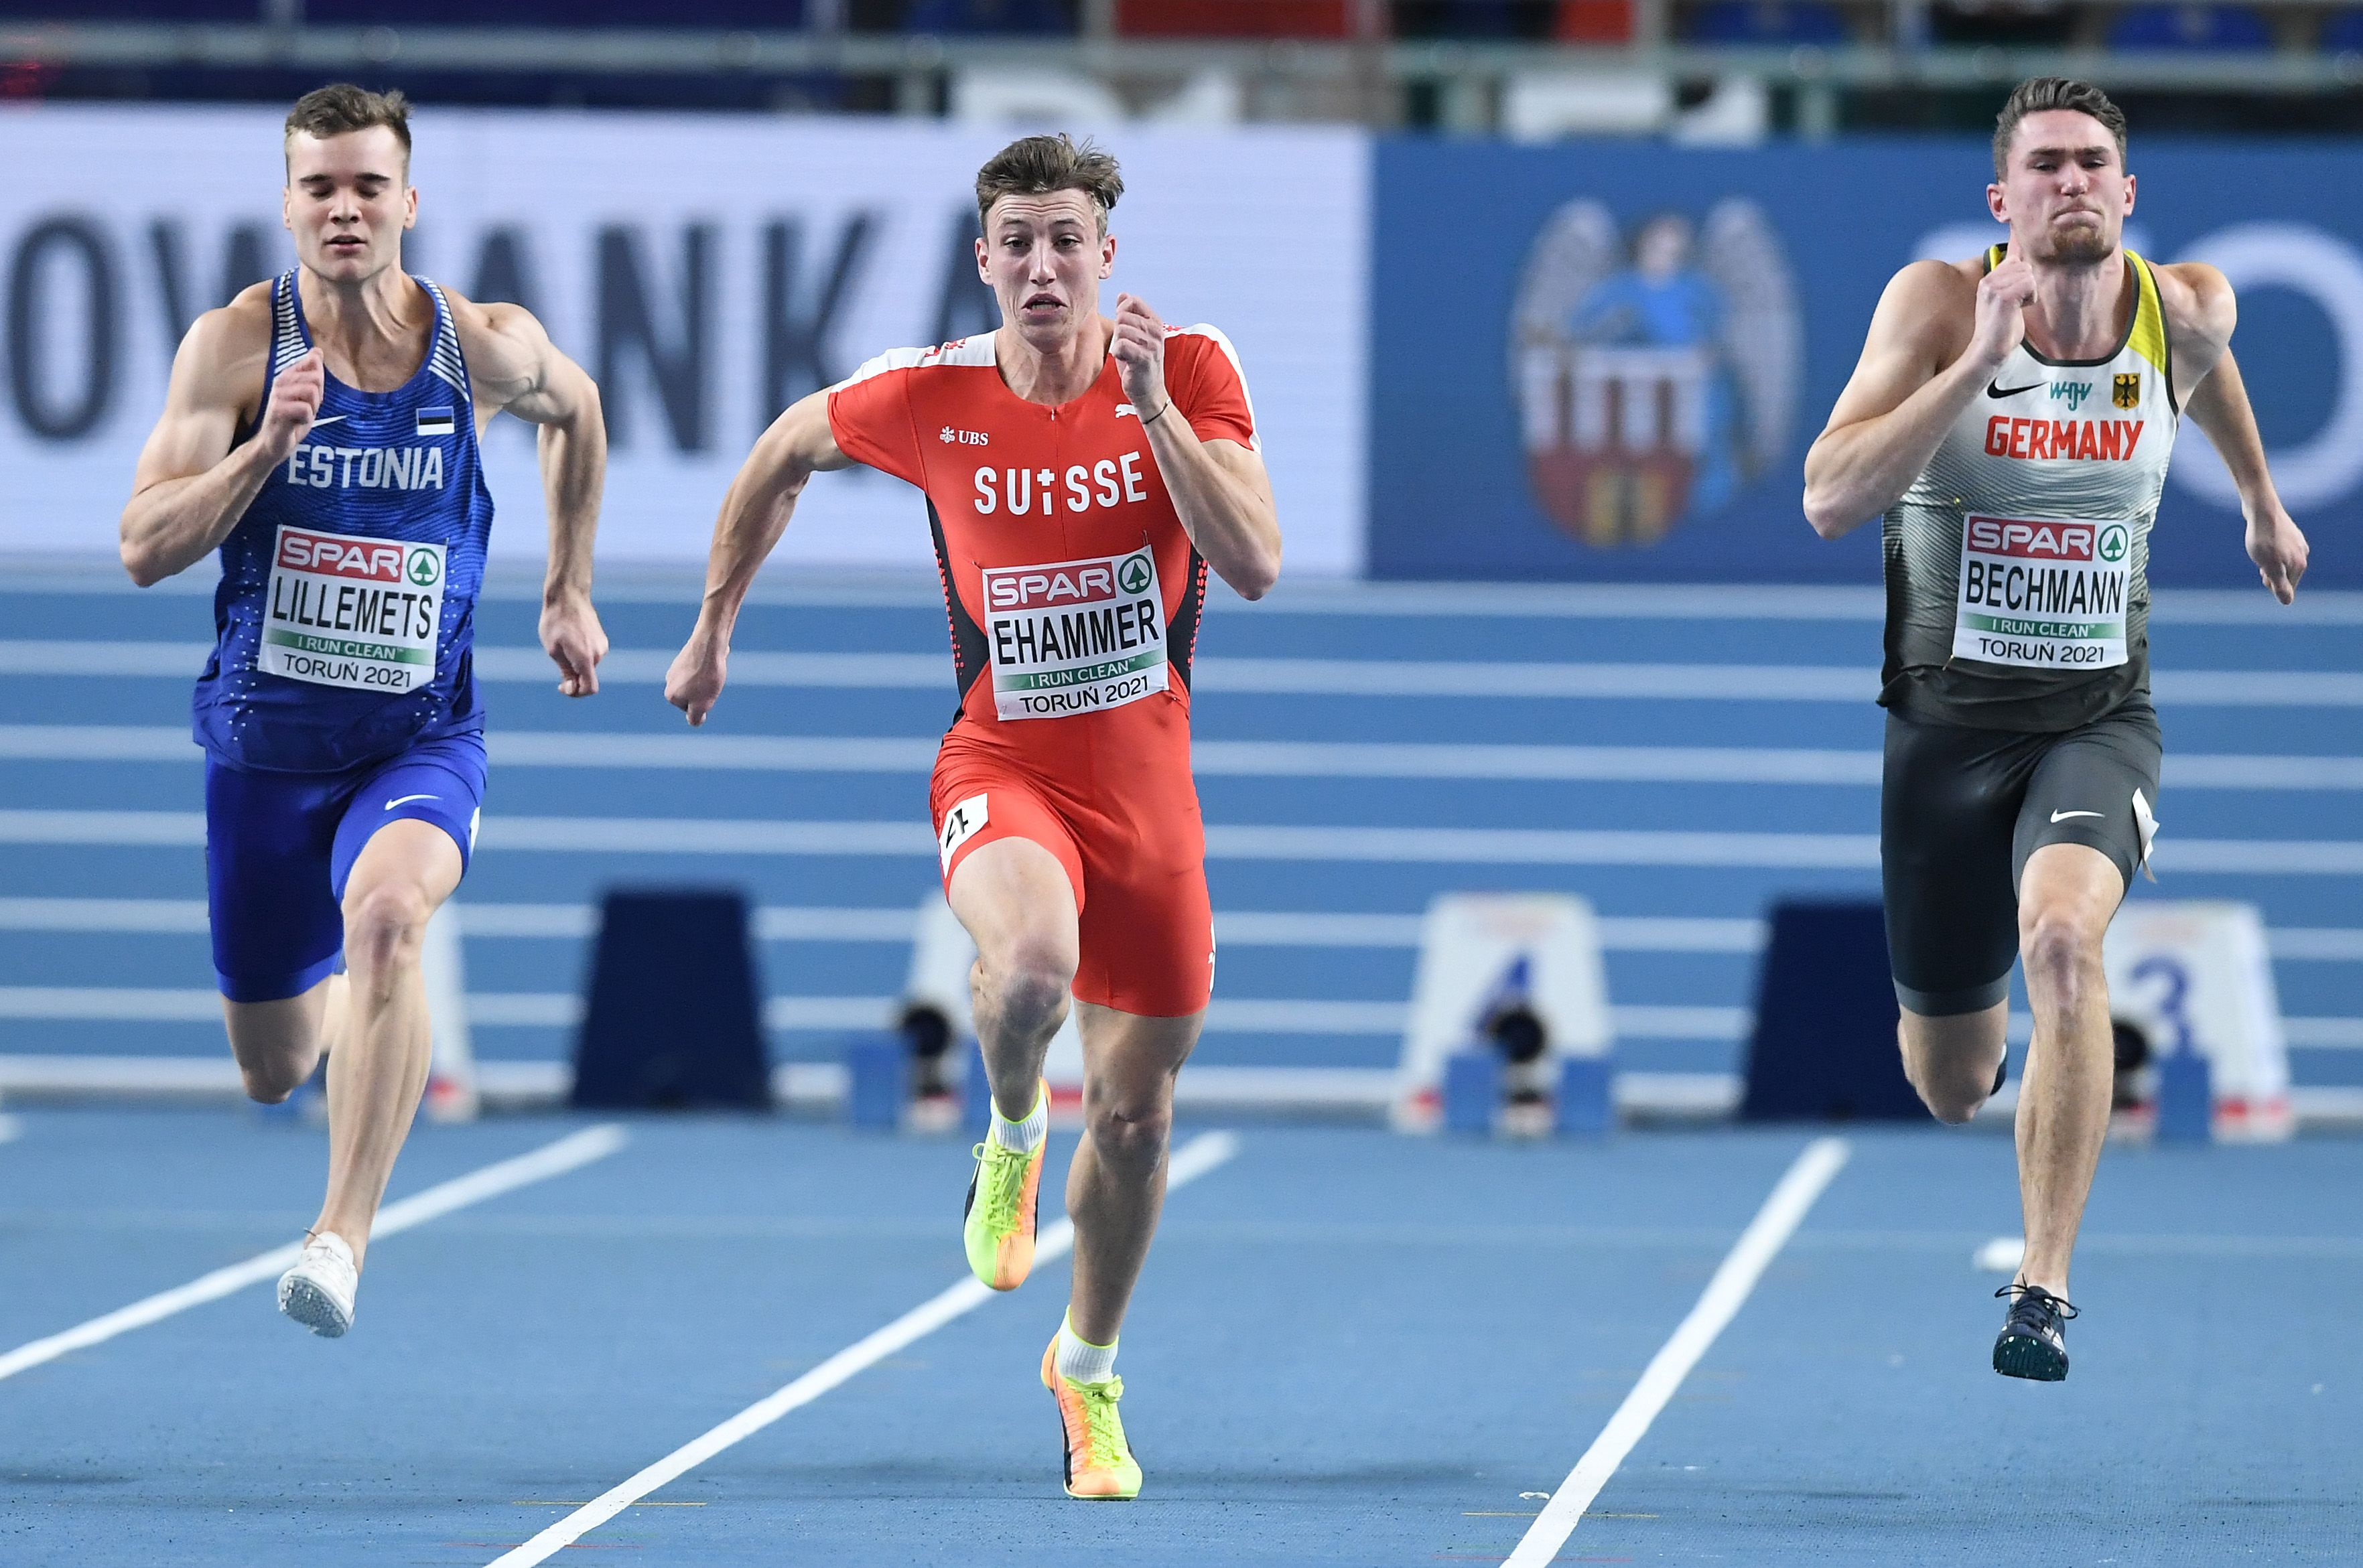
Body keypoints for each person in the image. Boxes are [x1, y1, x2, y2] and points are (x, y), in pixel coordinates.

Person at [666, 132, 1280, 1497]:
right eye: (1018, 241)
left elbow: (1252, 565)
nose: (1043, 264)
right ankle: (1009, 1128)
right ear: (983, 258)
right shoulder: (927, 395)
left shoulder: (1186, 370)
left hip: (1148, 797)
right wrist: (714, 626)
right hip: (1001, 764)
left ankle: (1088, 1370)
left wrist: (1156, 416)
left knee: (1136, 1121)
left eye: (1067, 237)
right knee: (1033, 972)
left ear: (1106, 253)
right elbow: (779, 452)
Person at [1803, 77, 2307, 1380]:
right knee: (1953, 1080)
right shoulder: (1930, 304)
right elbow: (1826, 498)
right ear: (2003, 200)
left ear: (2128, 193)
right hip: (1943, 733)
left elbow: (2212, 377)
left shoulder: (2182, 307)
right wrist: (1974, 364)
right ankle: (2013, 1071)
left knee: (2067, 943)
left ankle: (2044, 1284)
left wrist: (2259, 501)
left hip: (2098, 718)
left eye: (2094, 163)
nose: (2073, 182)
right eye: (2047, 166)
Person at [119, 84, 608, 1338]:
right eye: (320, 186)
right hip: (265, 753)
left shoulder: (478, 341)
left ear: (408, 200)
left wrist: (566, 588)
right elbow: (140, 547)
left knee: (391, 915)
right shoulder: (232, 350)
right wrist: (260, 454)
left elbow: (581, 410)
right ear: (287, 203)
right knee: (275, 1064)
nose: (344, 207)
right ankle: (357, 994)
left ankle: (339, 1235)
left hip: (419, 733)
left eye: (367, 185)